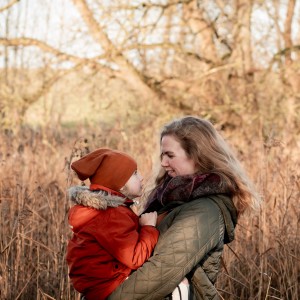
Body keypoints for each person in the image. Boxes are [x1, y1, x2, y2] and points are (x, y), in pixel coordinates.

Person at [108, 116, 261, 300]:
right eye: (162, 155)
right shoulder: (169, 198)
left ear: (197, 156)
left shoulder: (204, 212)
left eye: (170, 155)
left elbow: (161, 272)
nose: (163, 163)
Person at [66, 148, 159, 300]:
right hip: (110, 287)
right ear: (120, 184)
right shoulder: (110, 215)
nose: (141, 178)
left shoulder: (101, 210)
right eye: (135, 173)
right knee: (177, 284)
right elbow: (135, 258)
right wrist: (149, 228)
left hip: (98, 288)